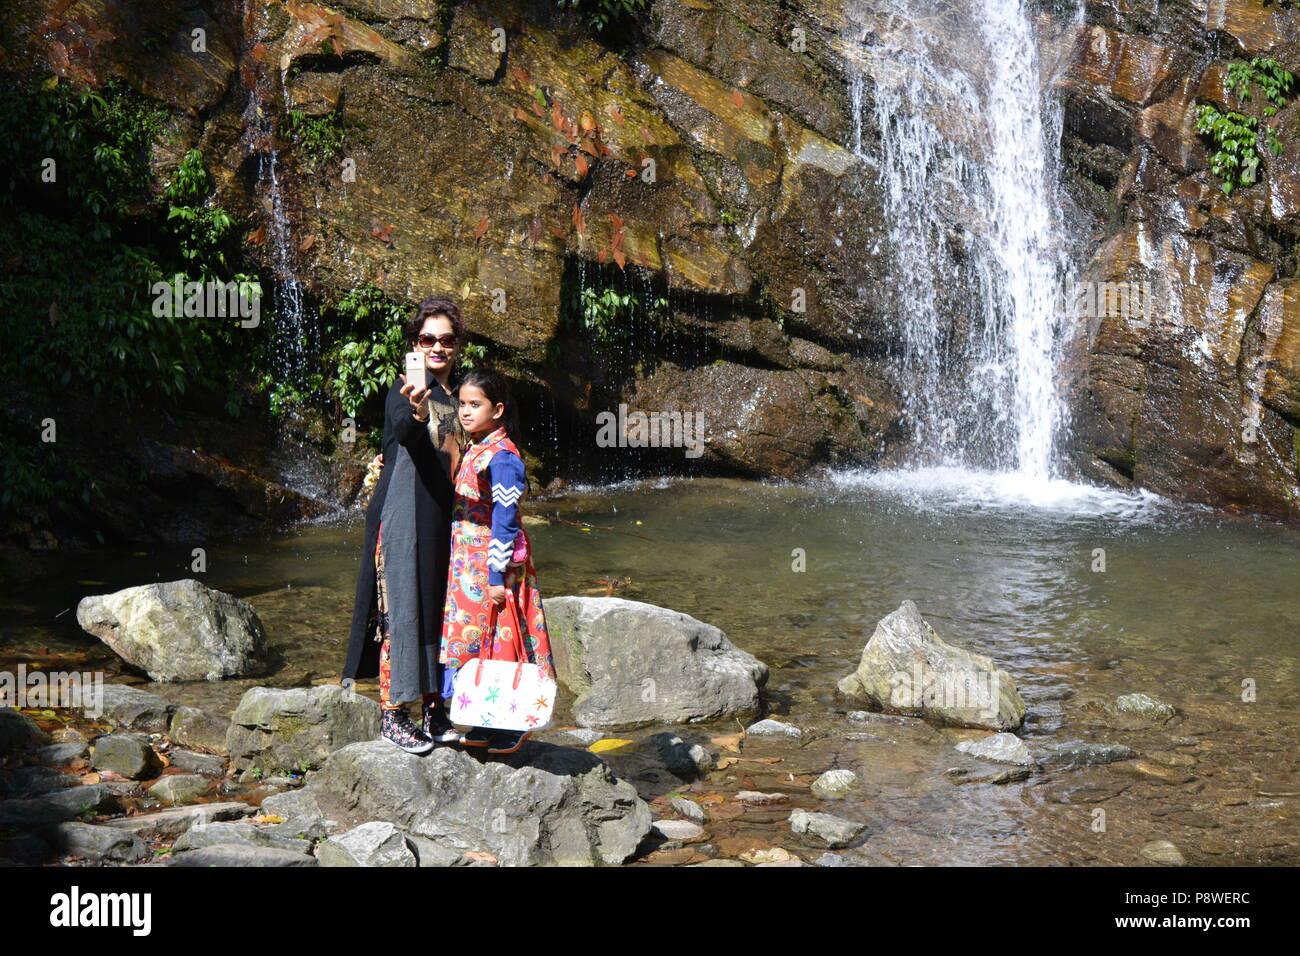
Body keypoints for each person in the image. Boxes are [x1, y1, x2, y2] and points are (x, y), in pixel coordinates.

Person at [342, 296, 466, 753]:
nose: (437, 346)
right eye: (427, 338)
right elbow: (402, 429)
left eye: (446, 339)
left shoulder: (455, 396)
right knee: (402, 608)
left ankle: (435, 710)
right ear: (415, 343)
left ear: (457, 345)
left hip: (439, 512)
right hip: (403, 513)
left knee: (438, 606)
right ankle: (394, 715)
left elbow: (450, 454)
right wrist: (417, 410)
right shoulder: (409, 384)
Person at [440, 368, 555, 755]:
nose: (466, 412)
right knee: (479, 642)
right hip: (467, 569)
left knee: (506, 640)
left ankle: (513, 721)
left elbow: (505, 522)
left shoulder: (503, 458)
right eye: (462, 404)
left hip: (494, 571)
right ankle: (487, 718)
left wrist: (496, 575)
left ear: (499, 409)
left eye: (476, 405)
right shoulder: (476, 447)